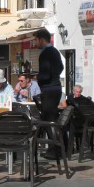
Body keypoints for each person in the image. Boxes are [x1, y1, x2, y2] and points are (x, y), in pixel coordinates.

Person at [33, 29, 64, 159]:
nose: (35, 42)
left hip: (49, 90)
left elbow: (45, 74)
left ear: (41, 39)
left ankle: (57, 150)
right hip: (55, 88)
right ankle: (56, 148)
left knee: (50, 121)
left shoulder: (45, 53)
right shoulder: (55, 51)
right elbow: (61, 67)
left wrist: (37, 77)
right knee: (48, 119)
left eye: (36, 40)